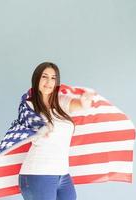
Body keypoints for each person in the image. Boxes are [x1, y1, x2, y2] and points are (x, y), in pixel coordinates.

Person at [18, 62, 95, 200]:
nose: (49, 82)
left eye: (53, 78)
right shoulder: (28, 105)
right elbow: (28, 124)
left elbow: (80, 105)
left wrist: (85, 100)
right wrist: (40, 128)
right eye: (45, 77)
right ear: (36, 79)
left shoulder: (60, 102)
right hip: (38, 173)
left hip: (63, 174)